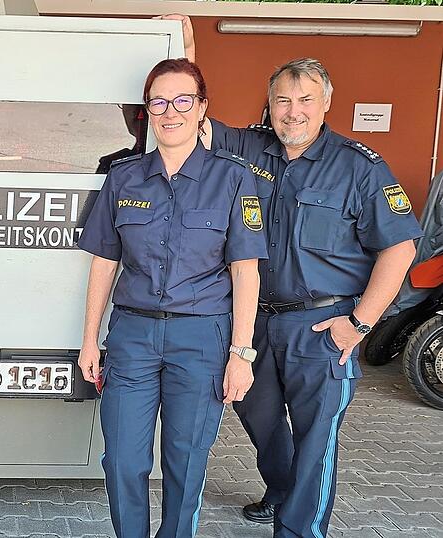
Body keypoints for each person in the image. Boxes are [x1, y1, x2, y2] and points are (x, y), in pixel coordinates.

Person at [172, 14, 422, 537]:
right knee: (258, 416)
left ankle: (299, 528)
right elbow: (191, 116)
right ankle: (283, 491)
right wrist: (185, 44)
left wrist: (358, 325)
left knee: (316, 437)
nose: (293, 111)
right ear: (270, 104)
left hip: (322, 325)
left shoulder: (359, 167)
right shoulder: (248, 149)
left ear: (326, 103)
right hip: (254, 324)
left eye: (305, 99)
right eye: (283, 100)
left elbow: (400, 248)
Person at [77, 58, 266, 537]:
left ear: (202, 108)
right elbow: (104, 262)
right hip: (133, 336)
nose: (170, 112)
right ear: (147, 112)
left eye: (183, 100)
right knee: (122, 459)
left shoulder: (233, 178)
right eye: (159, 102)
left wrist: (241, 353)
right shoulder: (123, 177)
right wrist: (89, 339)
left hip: (201, 339)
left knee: (186, 461)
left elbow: (245, 270)